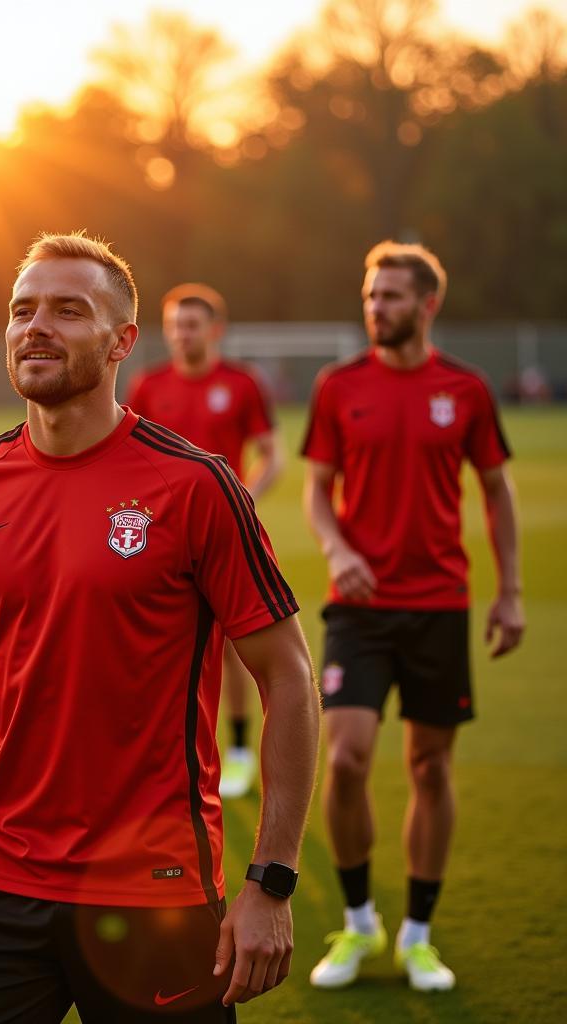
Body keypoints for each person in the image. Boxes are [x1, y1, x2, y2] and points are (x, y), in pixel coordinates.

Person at [0, 232, 320, 1022]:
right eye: (22, 310)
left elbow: (287, 676)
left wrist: (271, 881)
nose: (34, 327)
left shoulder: (197, 487)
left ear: (122, 342)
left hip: (155, 891)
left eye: (67, 310)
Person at [302, 241, 525, 992]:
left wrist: (511, 591)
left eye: (392, 296)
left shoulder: (465, 388)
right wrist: (336, 549)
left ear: (428, 304)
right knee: (346, 758)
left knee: (430, 765)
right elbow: (316, 490)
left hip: (439, 605)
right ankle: (360, 922)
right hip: (359, 609)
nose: (377, 308)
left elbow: (496, 490)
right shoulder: (338, 386)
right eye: (370, 295)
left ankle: (419, 934)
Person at [127, 284, 284, 799]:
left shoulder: (242, 383)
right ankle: (165, 756)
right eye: (174, 324)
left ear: (214, 330)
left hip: (225, 533)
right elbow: (129, 457)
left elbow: (272, 455)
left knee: (237, 645)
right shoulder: (149, 386)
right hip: (163, 537)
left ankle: (238, 750)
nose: (181, 333)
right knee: (156, 645)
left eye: (191, 325)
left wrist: (240, 498)